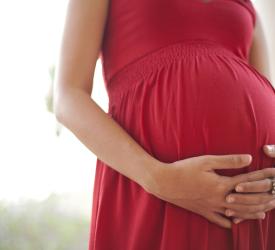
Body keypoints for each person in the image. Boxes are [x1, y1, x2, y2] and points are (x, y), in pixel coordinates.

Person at [53, 0, 275, 249]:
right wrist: (158, 178)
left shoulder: (247, 4)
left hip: (250, 206)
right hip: (153, 189)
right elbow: (68, 96)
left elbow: (265, 89)